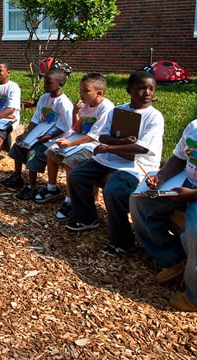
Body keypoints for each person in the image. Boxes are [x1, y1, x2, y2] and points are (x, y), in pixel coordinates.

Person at [66, 70, 163, 256]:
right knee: (78, 175)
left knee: (114, 191)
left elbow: (142, 148)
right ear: (129, 89)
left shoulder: (154, 117)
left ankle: (123, 242)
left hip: (137, 165)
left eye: (151, 89)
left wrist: (111, 146)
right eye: (141, 88)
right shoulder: (119, 110)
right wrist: (122, 142)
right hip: (111, 159)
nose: (147, 93)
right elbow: (103, 135)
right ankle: (86, 218)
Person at [129, 85, 197, 311]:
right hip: (185, 185)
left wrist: (193, 195)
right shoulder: (195, 127)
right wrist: (161, 178)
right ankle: (171, 258)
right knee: (140, 200)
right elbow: (179, 158)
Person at [37, 73, 114, 221]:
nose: (81, 94)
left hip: (94, 146)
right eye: (81, 90)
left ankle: (70, 200)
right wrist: (75, 113)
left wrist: (70, 144)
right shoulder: (86, 105)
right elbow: (78, 129)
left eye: (86, 91)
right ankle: (52, 187)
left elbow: (94, 136)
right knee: (51, 152)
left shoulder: (106, 108)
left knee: (70, 161)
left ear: (99, 93)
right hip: (79, 142)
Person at [0, 70, 73, 200]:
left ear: (60, 84)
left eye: (49, 83)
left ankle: (31, 186)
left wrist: (48, 137)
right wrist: (26, 133)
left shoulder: (64, 103)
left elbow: (67, 127)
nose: (45, 86)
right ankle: (17, 176)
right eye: (45, 82)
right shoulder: (44, 98)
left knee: (34, 152)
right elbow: (36, 119)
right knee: (19, 145)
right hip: (39, 133)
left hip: (53, 139)